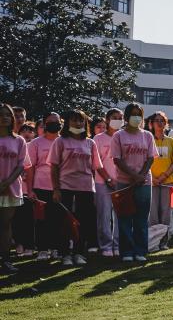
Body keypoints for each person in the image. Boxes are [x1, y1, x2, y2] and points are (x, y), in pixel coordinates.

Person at [47, 109, 106, 266]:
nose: (78, 123)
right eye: (74, 120)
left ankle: (79, 252)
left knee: (83, 222)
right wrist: (56, 189)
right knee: (64, 221)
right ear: (67, 122)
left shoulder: (90, 143)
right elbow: (54, 167)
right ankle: (65, 253)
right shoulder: (60, 141)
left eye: (81, 120)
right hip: (65, 186)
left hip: (85, 188)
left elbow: (95, 167)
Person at [113, 103, 158, 263]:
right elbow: (117, 159)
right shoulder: (118, 135)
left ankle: (140, 251)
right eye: (133, 114)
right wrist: (133, 175)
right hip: (124, 182)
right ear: (126, 117)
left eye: (139, 114)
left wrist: (141, 175)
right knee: (124, 218)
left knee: (141, 218)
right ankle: (126, 251)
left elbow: (151, 157)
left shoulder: (147, 135)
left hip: (143, 182)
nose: (136, 117)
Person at [0, 104, 31, 273]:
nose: (5, 118)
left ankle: (5, 260)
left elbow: (21, 165)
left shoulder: (18, 140)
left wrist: (6, 183)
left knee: (5, 225)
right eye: (1, 114)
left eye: (8, 115)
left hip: (10, 187)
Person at [27, 113, 60, 261]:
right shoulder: (36, 143)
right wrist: (30, 190)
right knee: (42, 220)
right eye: (50, 121)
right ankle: (42, 249)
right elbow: (30, 168)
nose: (53, 124)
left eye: (56, 121)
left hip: (60, 186)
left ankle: (56, 247)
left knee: (57, 219)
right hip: (41, 185)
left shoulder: (63, 141)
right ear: (45, 124)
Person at [92, 108, 123, 258]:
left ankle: (117, 244)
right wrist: (108, 179)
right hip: (102, 182)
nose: (117, 120)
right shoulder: (98, 139)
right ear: (107, 119)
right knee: (104, 216)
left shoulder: (124, 137)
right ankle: (105, 245)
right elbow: (96, 163)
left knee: (120, 215)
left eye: (120, 118)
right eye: (114, 117)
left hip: (122, 183)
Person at [149, 112, 173, 249]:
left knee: (166, 213)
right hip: (151, 182)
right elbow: (143, 161)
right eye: (156, 120)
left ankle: (164, 242)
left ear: (166, 123)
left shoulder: (171, 141)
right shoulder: (148, 140)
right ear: (151, 124)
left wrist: (164, 175)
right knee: (153, 213)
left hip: (168, 181)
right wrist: (152, 177)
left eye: (162, 120)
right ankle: (154, 242)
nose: (159, 123)